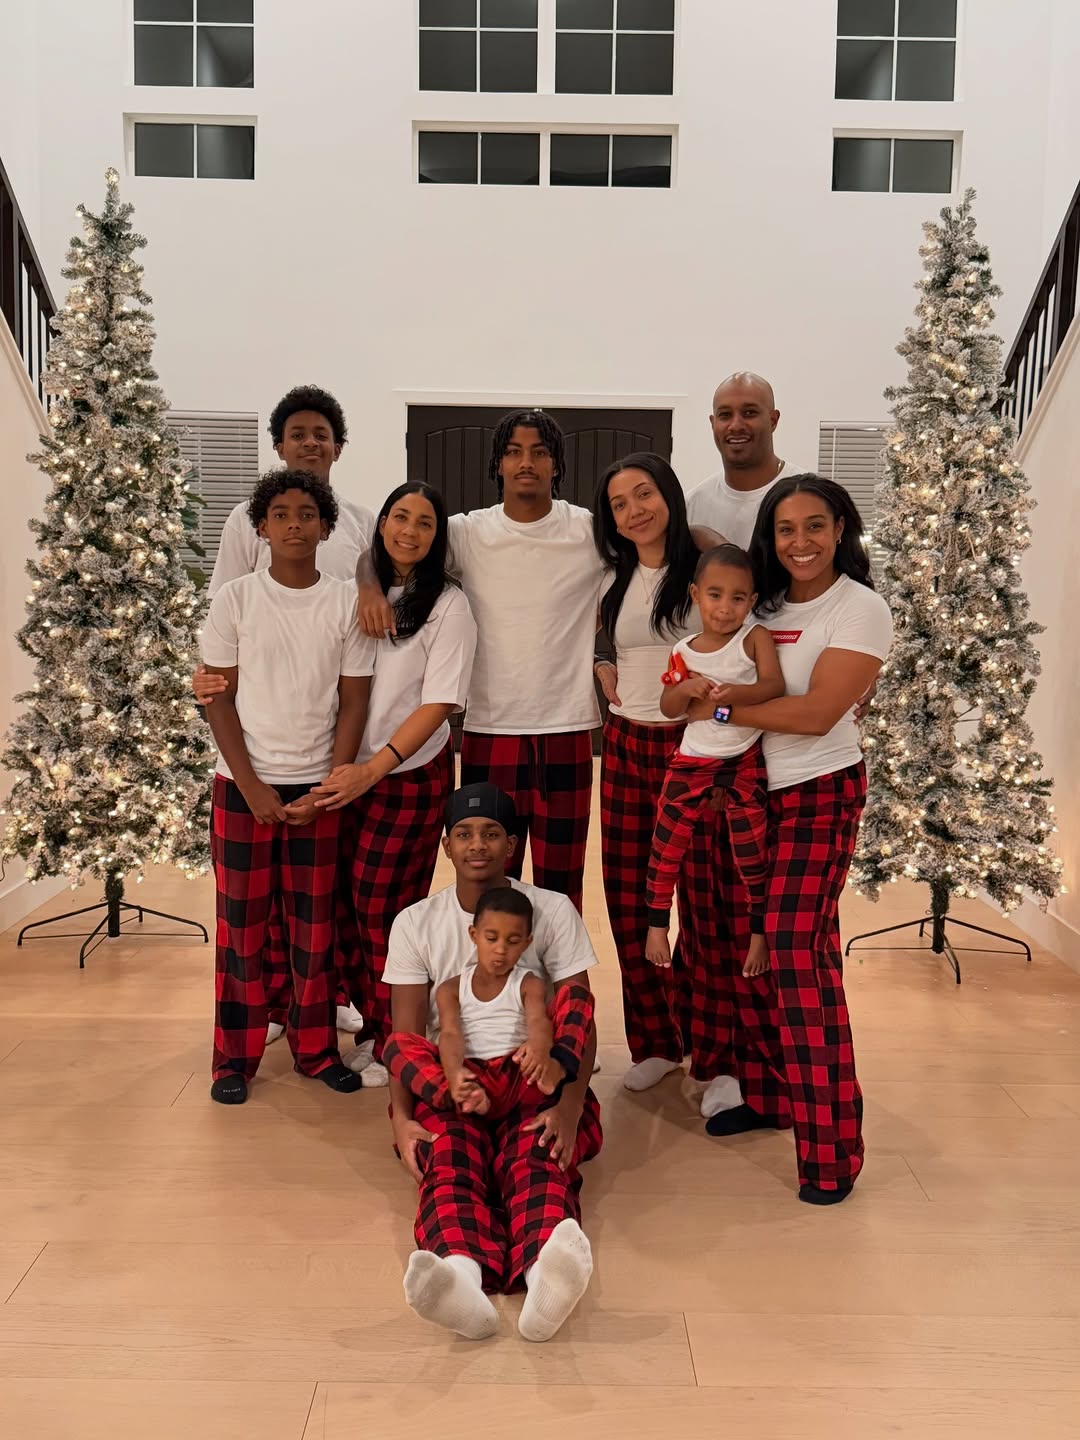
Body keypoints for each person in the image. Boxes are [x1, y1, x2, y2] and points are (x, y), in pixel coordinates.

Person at [695, 475, 893, 1206]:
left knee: (795, 953)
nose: (800, 541)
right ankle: (771, 1094)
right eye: (786, 529)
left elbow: (815, 715)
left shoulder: (860, 608)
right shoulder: (764, 606)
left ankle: (833, 1148)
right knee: (744, 944)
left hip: (819, 793)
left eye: (815, 525)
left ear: (841, 529)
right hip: (748, 793)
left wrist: (721, 714)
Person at [358, 410, 603, 913]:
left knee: (562, 889)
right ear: (498, 464)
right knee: (487, 884)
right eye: (514, 452)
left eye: (539, 452)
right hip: (490, 730)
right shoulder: (467, 532)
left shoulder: (589, 531)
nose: (526, 462)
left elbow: (659, 553)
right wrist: (367, 586)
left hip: (567, 728)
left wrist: (601, 655)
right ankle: (488, 969)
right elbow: (387, 549)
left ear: (556, 463)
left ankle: (557, 970)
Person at [383, 783, 601, 1342]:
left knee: (537, 1157)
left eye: (491, 833)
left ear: (513, 844)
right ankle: (460, 1277)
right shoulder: (415, 923)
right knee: (450, 1159)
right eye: (463, 834)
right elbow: (410, 1037)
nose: (477, 845)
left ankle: (544, 1275)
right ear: (446, 846)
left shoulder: (551, 910)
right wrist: (403, 1120)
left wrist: (570, 1108)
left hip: (533, 1079)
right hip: (458, 1088)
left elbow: (576, 1017)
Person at [199, 469, 375, 1104]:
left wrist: (329, 785)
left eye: (306, 514)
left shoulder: (345, 603)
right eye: (280, 514)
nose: (294, 524)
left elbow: (354, 701)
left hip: (317, 788)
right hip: (242, 787)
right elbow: (218, 698)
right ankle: (233, 1057)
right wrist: (250, 786)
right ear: (261, 527)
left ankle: (315, 1049)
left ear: (326, 528)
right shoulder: (236, 599)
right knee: (241, 929)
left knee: (313, 928)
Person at [310, 483, 477, 1086]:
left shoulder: (449, 605)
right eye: (400, 517)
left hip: (404, 774)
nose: (410, 530)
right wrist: (366, 582)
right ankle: (377, 1018)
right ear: (381, 524)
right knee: (343, 904)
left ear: (437, 537)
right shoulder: (358, 590)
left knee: (384, 907)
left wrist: (372, 770)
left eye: (425, 523)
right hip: (343, 767)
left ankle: (395, 1038)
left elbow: (439, 703)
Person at [592, 453, 734, 1109]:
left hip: (695, 748)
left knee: (703, 901)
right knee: (629, 898)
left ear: (669, 496)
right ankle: (655, 1040)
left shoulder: (704, 568)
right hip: (626, 745)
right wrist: (601, 662)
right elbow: (614, 644)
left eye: (644, 494)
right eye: (619, 503)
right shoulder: (614, 576)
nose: (634, 511)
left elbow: (739, 642)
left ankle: (714, 1052)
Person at [645, 543, 783, 977]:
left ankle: (758, 932)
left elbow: (773, 686)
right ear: (695, 594)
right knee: (665, 847)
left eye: (738, 598)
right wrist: (685, 690)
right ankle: (657, 925)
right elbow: (669, 707)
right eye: (715, 595)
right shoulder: (683, 650)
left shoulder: (754, 638)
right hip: (691, 761)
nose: (725, 608)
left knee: (752, 852)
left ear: (752, 600)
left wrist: (734, 696)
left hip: (743, 761)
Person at [384, 886, 590, 1118]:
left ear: (526, 943)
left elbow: (538, 1021)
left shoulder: (529, 983)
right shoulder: (450, 989)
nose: (501, 950)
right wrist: (454, 1072)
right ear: (474, 935)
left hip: (519, 1074)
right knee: (396, 1045)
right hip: (474, 1075)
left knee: (577, 994)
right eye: (491, 939)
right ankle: (456, 1094)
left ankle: (557, 1070)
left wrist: (539, 1048)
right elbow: (450, 1034)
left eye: (513, 941)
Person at [685, 372, 810, 547]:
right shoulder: (693, 505)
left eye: (749, 413)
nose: (736, 426)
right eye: (725, 415)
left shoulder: (812, 497)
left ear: (773, 420)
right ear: (713, 423)